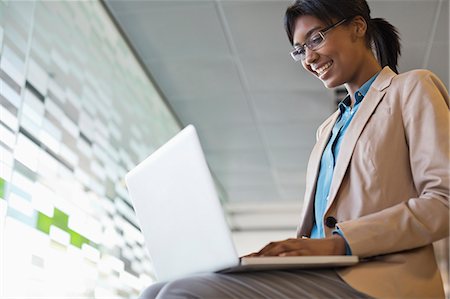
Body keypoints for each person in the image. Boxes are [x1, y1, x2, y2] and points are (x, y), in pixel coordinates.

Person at [140, 0, 449, 298]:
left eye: (316, 39)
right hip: (319, 272)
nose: (308, 58)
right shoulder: (327, 130)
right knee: (156, 290)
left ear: (357, 26)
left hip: (380, 279)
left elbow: (443, 200)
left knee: (182, 292)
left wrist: (341, 243)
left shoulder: (412, 89)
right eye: (300, 49)